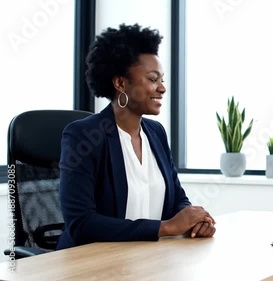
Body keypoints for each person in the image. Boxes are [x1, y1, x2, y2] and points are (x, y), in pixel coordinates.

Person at [56, 23, 216, 250]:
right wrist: (167, 227)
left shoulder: (156, 133)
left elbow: (177, 199)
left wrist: (194, 220)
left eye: (162, 80)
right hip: (90, 263)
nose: (162, 89)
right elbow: (81, 224)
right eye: (152, 79)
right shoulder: (83, 136)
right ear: (120, 83)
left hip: (145, 259)